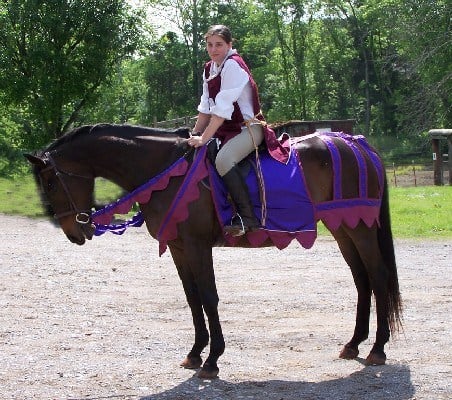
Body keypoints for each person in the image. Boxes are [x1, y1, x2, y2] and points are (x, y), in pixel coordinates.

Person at [187, 24, 289, 237]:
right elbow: (206, 109)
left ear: (229, 45)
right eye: (210, 45)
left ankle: (247, 217)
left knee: (224, 160)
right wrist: (193, 135)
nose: (214, 49)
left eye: (219, 45)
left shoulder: (233, 65)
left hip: (248, 128)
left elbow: (221, 111)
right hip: (225, 131)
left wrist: (204, 138)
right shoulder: (209, 68)